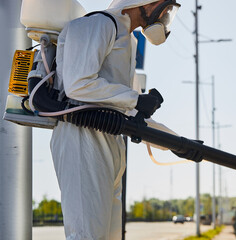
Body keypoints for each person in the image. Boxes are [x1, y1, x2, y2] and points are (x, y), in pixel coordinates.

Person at [50, 0, 181, 239]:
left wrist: (176, 143)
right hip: (81, 139)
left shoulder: (128, 41)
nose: (165, 16)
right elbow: (78, 84)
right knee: (86, 235)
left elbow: (126, 109)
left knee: (109, 235)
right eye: (165, 8)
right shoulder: (99, 24)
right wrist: (135, 99)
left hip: (110, 141)